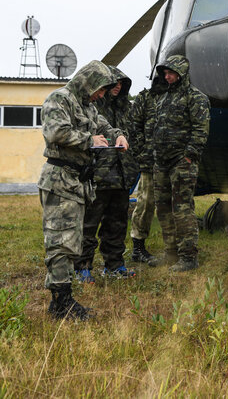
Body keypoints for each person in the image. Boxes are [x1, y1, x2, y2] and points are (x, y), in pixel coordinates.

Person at [39, 60, 128, 320]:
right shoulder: (60, 98)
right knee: (60, 242)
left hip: (77, 181)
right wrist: (89, 140)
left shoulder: (87, 107)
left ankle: (61, 300)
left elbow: (105, 128)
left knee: (72, 242)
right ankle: (61, 302)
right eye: (99, 89)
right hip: (60, 179)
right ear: (88, 81)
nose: (101, 95)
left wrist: (118, 135)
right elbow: (56, 132)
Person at [73, 66, 140, 280]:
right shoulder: (91, 107)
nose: (117, 88)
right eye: (113, 84)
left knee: (117, 223)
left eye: (121, 84)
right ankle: (82, 267)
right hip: (97, 175)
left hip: (121, 175)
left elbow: (133, 134)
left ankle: (114, 265)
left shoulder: (126, 109)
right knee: (89, 224)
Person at [150, 55, 210, 272]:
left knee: (182, 209)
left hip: (181, 162)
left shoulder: (195, 98)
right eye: (165, 73)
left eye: (171, 72)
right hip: (161, 162)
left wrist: (189, 156)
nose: (167, 76)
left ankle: (188, 257)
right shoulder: (164, 98)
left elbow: (201, 130)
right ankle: (170, 253)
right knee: (163, 208)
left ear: (182, 72)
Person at [128, 76, 167, 263]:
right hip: (149, 162)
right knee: (145, 203)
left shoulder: (178, 97)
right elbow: (133, 128)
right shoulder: (145, 98)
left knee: (174, 205)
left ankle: (175, 248)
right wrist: (141, 153)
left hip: (172, 162)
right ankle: (138, 247)